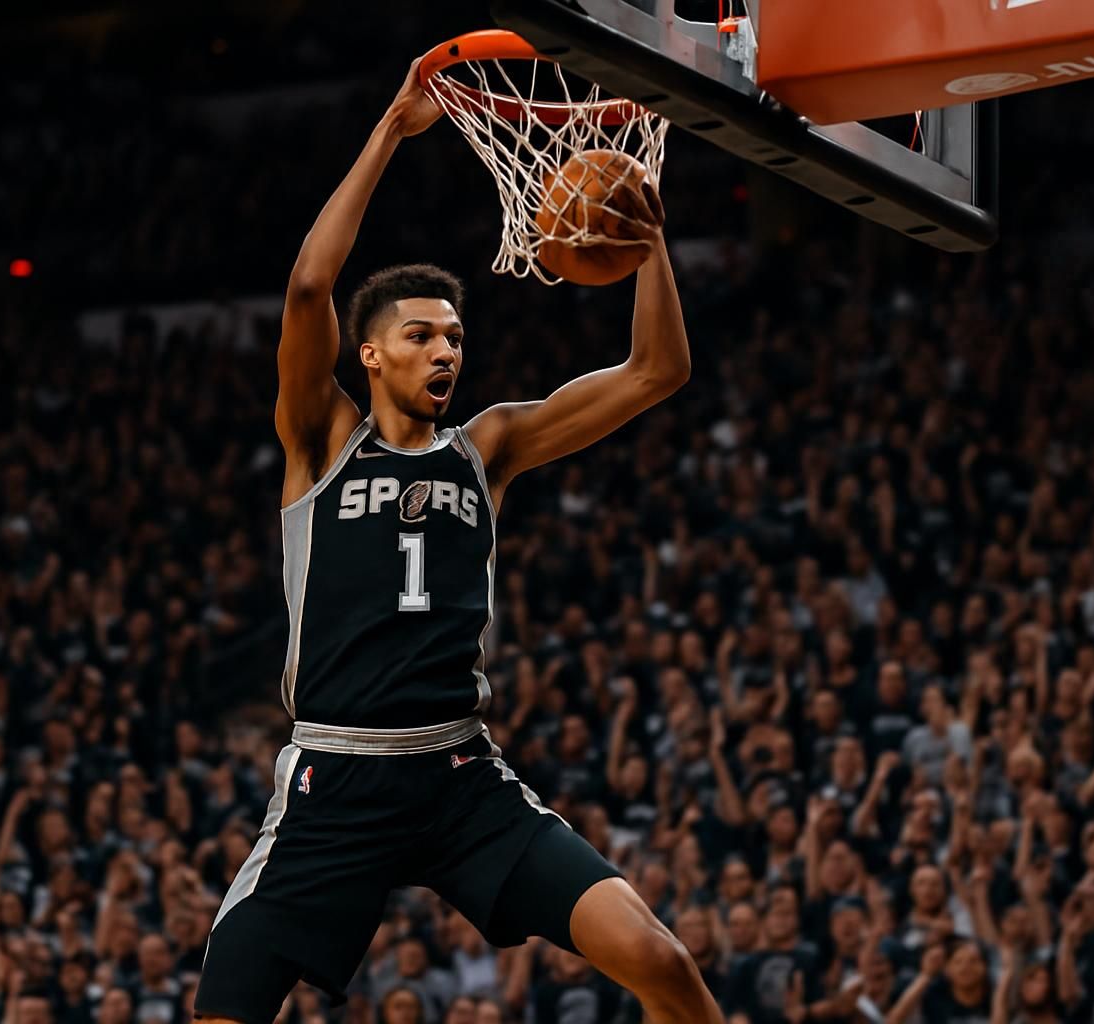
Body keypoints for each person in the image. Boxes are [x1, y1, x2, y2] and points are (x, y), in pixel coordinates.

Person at [193, 53, 719, 1024]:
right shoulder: (319, 443)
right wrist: (391, 131)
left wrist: (648, 242)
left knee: (660, 956)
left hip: (456, 772)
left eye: (454, 339)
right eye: (422, 336)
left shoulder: (493, 446)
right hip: (333, 777)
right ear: (371, 352)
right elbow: (310, 289)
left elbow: (657, 371)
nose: (445, 351)